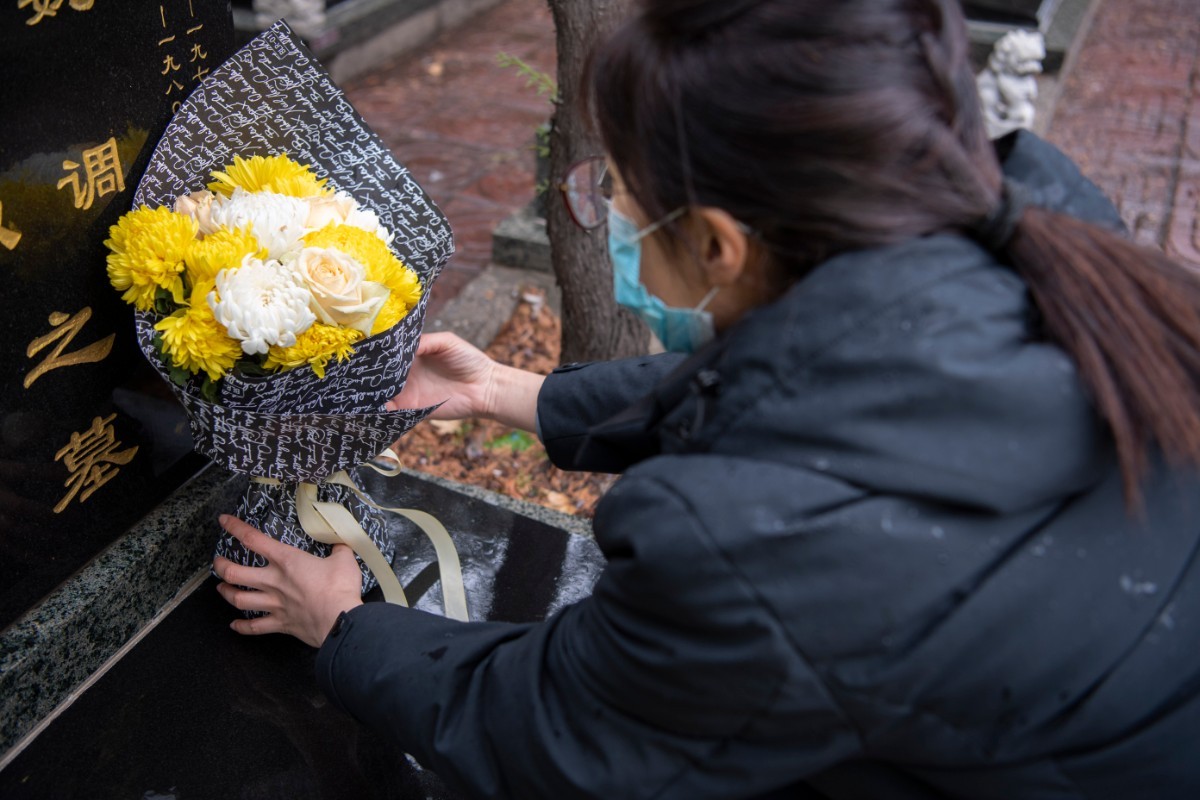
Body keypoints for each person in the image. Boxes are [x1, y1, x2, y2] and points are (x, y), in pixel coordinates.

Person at [213, 0, 1200, 796]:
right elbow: (828, 393)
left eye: (622, 201)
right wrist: (516, 393)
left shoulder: (753, 550)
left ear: (721, 243)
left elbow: (559, 732)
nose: (617, 227)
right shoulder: (1053, 242)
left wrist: (346, 628)